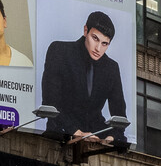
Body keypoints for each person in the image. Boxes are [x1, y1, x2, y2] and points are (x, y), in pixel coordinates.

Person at [41, 11, 129, 142]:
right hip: (60, 136)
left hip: (96, 140)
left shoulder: (112, 68)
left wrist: (112, 137)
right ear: (85, 30)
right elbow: (50, 103)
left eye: (105, 44)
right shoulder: (60, 51)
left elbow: (120, 117)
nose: (98, 48)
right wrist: (76, 132)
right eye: (95, 38)